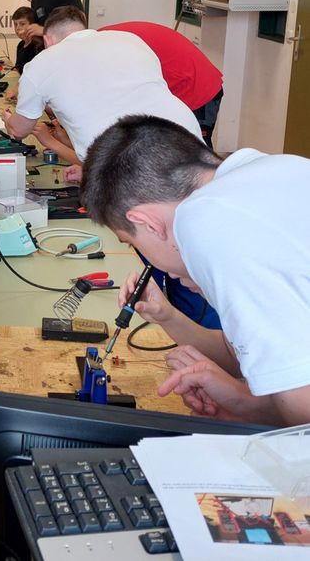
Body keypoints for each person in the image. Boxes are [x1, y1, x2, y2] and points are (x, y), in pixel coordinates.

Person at [80, 115, 310, 426]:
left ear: (147, 223)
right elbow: (240, 354)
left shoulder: (206, 221)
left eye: (130, 241)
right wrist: (167, 315)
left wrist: (246, 405)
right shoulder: (263, 171)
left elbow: (303, 428)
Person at [1, 6, 202, 166]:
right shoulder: (130, 40)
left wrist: (10, 120)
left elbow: (20, 130)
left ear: (47, 40)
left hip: (130, 159)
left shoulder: (42, 62)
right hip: (187, 136)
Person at [101, 21, 223, 148]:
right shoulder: (102, 40)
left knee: (195, 150)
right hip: (179, 80)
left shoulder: (105, 47)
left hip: (197, 88)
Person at [4, 6, 43, 102]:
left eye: (22, 24)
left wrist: (17, 90)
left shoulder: (38, 46)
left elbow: (32, 75)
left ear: (32, 25)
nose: (17, 28)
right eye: (15, 24)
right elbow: (20, 69)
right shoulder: (21, 45)